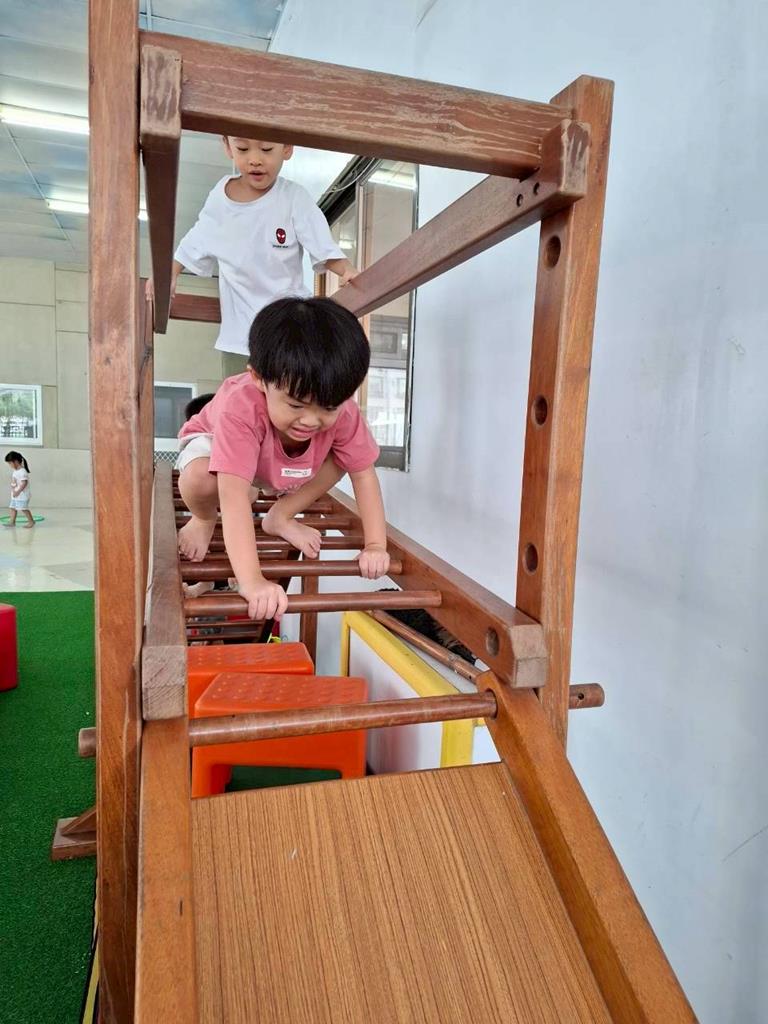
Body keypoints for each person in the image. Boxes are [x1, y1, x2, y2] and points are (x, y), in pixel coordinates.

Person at [176, 296, 390, 622]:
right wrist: (252, 581)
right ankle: (202, 518)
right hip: (215, 447)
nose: (311, 420)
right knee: (203, 478)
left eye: (328, 407)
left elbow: (364, 474)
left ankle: (280, 515)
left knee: (346, 457)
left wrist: (375, 545)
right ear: (259, 379)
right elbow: (232, 496)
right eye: (296, 405)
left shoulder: (343, 411)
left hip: (274, 464)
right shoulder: (241, 406)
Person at [146, 138, 359, 356]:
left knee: (295, 373)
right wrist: (169, 273)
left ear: (287, 148)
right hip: (240, 335)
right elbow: (196, 240)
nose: (255, 159)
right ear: (228, 147)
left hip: (288, 330)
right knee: (244, 377)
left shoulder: (293, 197)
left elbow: (322, 244)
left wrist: (347, 270)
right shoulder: (220, 198)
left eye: (266, 149)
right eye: (243, 149)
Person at [4, 451, 34, 528]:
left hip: (22, 495)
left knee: (23, 508)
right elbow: (14, 481)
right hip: (15, 494)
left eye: (10, 463)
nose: (9, 465)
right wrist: (13, 488)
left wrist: (17, 492)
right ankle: (12, 522)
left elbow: (24, 483)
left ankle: (31, 521)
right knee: (13, 507)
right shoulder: (15, 471)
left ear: (16, 461)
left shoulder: (22, 472)